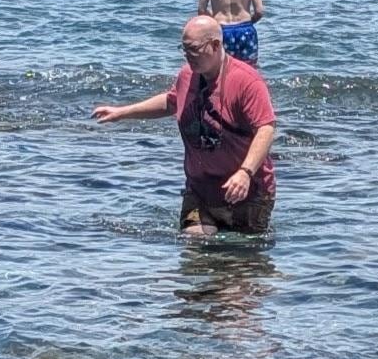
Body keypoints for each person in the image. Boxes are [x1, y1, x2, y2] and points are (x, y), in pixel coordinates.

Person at [92, 17, 277, 237]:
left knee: (239, 263)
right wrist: (122, 113)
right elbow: (171, 101)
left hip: (246, 190)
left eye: (194, 49)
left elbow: (266, 128)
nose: (188, 55)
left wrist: (245, 173)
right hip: (200, 189)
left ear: (215, 45)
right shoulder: (187, 75)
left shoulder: (247, 81)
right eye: (184, 49)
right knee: (195, 245)